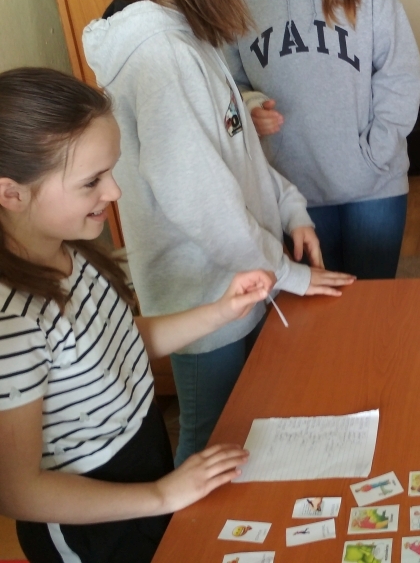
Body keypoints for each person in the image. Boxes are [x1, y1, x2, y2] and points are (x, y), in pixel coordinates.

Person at [82, 0, 353, 465]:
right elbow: (200, 200)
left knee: (242, 432)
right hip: (205, 298)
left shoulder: (180, 34)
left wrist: (290, 209)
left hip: (237, 280)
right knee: (208, 443)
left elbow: (233, 152)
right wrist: (288, 275)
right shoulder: (160, 54)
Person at [0, 68, 272, 563]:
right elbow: (19, 492)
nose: (114, 192)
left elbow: (122, 343)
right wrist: (163, 495)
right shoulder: (13, 322)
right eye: (92, 181)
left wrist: (221, 311)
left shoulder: (70, 250)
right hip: (89, 523)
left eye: (111, 172)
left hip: (142, 463)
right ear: (12, 194)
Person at [225, 0, 420, 279]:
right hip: (289, 194)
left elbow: (401, 76)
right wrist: (250, 105)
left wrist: (375, 155)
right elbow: (225, 82)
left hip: (374, 187)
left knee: (372, 306)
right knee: (315, 311)